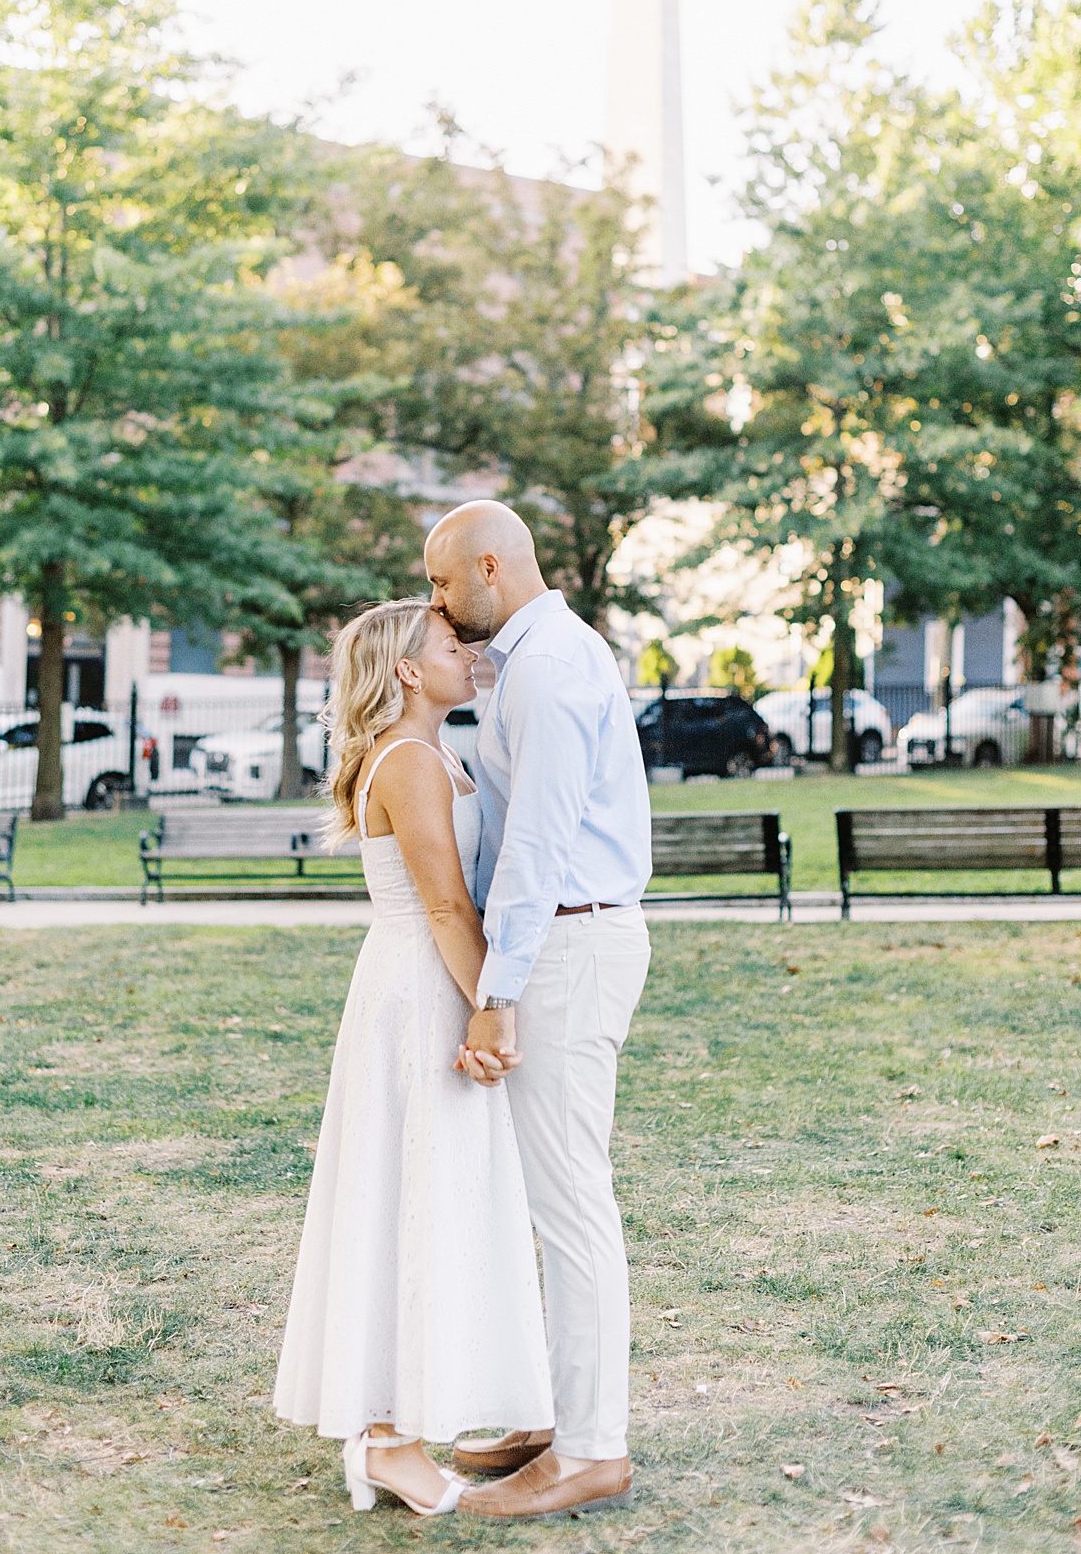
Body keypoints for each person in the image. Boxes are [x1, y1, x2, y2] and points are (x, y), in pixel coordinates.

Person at [272, 598, 553, 1517]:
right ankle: (387, 1441)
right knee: (409, 1195)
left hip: (426, 981)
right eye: (448, 644)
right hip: (421, 992)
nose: (466, 653)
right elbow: (445, 910)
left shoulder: (438, 753)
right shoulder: (410, 762)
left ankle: (395, 1430)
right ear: (404, 670)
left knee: (432, 1194)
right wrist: (490, 1011)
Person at [425, 501, 653, 1522]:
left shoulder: (551, 669)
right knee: (552, 1198)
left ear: (488, 565)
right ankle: (564, 1416)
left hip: (568, 942)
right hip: (559, 940)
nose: (435, 603)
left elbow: (540, 848)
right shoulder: (525, 663)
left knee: (570, 1203)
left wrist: (497, 995)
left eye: (439, 585)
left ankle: (594, 1450)